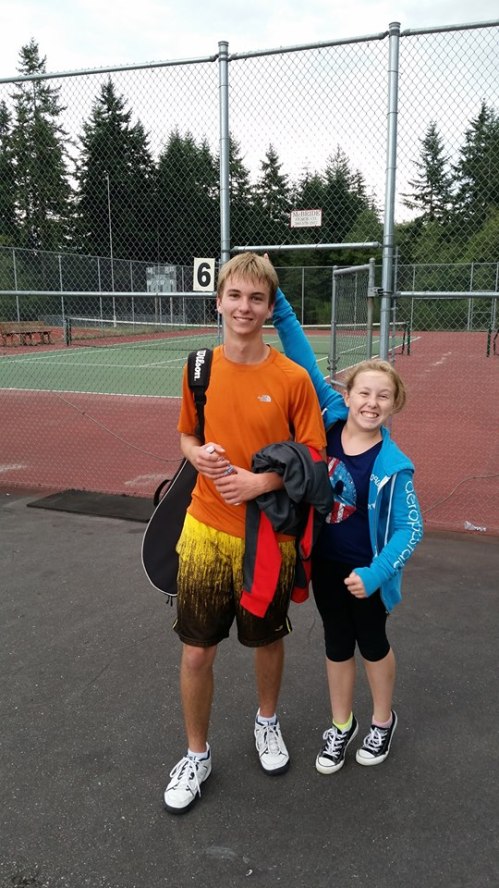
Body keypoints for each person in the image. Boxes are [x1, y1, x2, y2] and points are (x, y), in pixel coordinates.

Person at [163, 253, 327, 814]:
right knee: (196, 654)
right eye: (235, 296)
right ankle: (196, 754)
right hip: (205, 531)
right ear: (219, 301)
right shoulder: (198, 369)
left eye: (257, 298)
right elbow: (187, 436)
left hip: (269, 539)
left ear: (269, 306)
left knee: (267, 642)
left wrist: (261, 482)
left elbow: (314, 456)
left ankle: (267, 722)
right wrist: (198, 456)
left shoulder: (292, 378)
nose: (244, 307)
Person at [272, 284, 423, 774]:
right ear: (347, 395)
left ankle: (382, 721)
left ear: (394, 405)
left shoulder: (394, 465)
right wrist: (278, 305)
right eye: (364, 393)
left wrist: (377, 573)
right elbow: (302, 359)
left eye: (383, 396)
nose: (372, 403)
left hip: (368, 575)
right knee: (336, 644)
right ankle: (342, 725)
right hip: (326, 566)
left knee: (372, 644)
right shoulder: (331, 422)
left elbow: (411, 529)